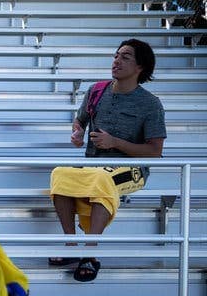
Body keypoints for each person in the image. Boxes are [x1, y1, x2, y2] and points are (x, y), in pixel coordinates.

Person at [49, 38, 167, 282]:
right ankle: (70, 246)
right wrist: (78, 132)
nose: (117, 61)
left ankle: (90, 254)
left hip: (131, 168)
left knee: (103, 178)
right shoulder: (96, 90)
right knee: (59, 173)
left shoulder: (151, 104)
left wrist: (115, 143)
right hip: (92, 164)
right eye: (116, 55)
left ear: (140, 68)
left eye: (125, 57)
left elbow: (155, 151)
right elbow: (80, 119)